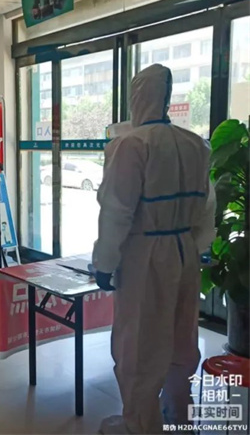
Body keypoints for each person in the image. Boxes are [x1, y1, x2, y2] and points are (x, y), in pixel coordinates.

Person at [92, 64, 216, 434]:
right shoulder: (196, 144)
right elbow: (207, 208)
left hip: (143, 255)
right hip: (184, 251)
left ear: (138, 96)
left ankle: (140, 425)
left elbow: (117, 211)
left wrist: (104, 262)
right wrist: (195, 248)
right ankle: (178, 413)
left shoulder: (131, 145)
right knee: (181, 337)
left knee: (138, 344)